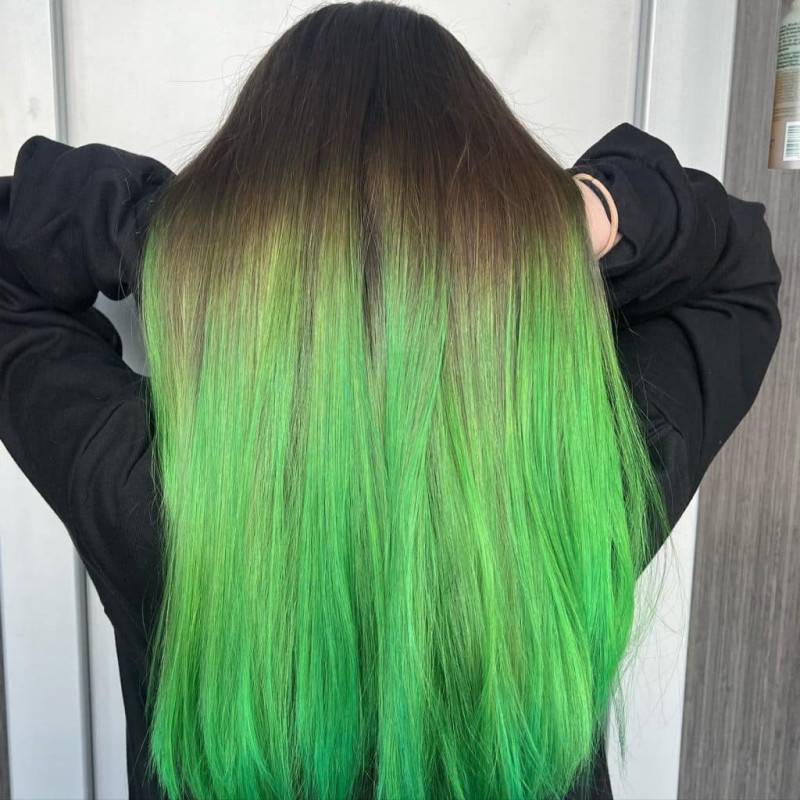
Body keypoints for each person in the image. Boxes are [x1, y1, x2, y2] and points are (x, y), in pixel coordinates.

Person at [0, 3, 782, 799]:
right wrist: (581, 216)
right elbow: (737, 270)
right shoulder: (585, 479)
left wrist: (175, 233)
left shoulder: (147, 493)